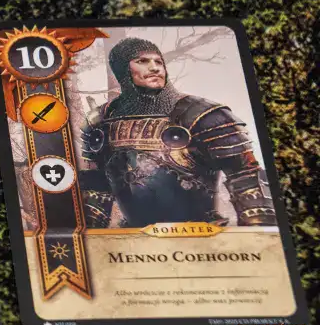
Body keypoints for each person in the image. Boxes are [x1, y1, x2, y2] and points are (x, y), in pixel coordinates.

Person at [79, 37, 276, 228]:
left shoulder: (204, 115)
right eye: (142, 61)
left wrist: (258, 234)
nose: (155, 68)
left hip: (200, 235)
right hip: (132, 237)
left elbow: (245, 178)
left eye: (158, 62)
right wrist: (90, 236)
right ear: (122, 70)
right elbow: (96, 187)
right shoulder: (100, 121)